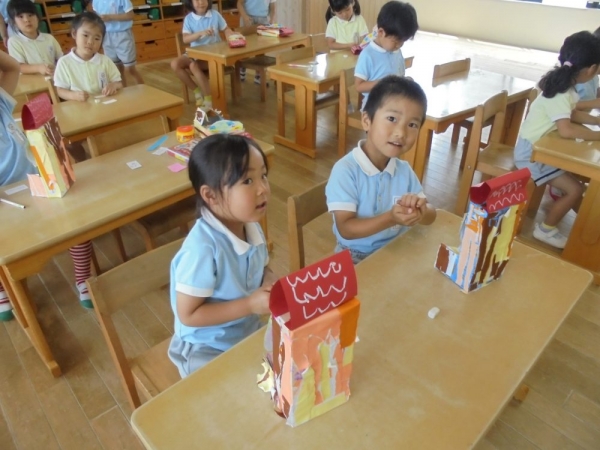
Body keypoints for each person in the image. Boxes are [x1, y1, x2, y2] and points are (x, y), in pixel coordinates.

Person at [168, 134, 274, 377]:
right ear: (211, 196)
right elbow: (188, 315)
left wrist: (269, 282)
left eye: (263, 176)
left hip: (244, 331)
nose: (263, 189)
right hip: (205, 348)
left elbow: (261, 268)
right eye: (248, 180)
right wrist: (250, 304)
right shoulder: (202, 249)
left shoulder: (250, 225)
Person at [326, 75, 436, 265]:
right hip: (354, 258)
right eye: (392, 119)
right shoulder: (345, 171)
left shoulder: (404, 171)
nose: (401, 133)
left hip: (396, 250)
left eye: (412, 125)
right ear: (367, 121)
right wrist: (391, 218)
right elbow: (346, 229)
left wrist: (420, 210)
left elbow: (432, 216)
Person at [514, 30, 600, 249]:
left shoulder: (564, 86)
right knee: (575, 189)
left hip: (537, 148)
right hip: (531, 154)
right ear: (591, 69)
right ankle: (546, 230)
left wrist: (596, 121)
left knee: (577, 184)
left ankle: (588, 225)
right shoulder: (563, 92)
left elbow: (570, 114)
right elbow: (566, 130)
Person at [0, 49, 36, 320]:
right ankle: (2, 288)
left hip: (32, 182)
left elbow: (12, 66)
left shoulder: (1, 101)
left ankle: (83, 277)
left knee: (77, 223)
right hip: (3, 198)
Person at [354, 1, 417, 111]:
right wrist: (384, 84)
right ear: (381, 32)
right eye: (396, 42)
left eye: (402, 42)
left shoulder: (397, 52)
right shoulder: (368, 55)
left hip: (394, 105)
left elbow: (399, 77)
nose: (399, 46)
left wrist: (405, 81)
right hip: (374, 107)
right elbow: (359, 86)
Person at [170, 0, 232, 108]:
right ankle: (197, 91)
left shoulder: (215, 14)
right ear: (191, 3)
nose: (201, 2)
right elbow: (185, 39)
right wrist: (200, 33)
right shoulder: (189, 18)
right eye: (197, 0)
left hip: (213, 55)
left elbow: (226, 29)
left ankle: (209, 98)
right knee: (175, 64)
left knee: (193, 66)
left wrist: (229, 34)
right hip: (195, 53)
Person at [53, 11, 122, 102]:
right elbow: (60, 90)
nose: (90, 42)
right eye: (85, 35)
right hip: (78, 106)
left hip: (103, 104)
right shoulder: (64, 62)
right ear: (74, 33)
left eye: (97, 38)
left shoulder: (105, 60)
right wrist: (74, 96)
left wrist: (113, 85)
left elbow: (119, 83)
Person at [91, 0, 144, 86]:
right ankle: (124, 89)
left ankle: (143, 88)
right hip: (106, 35)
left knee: (130, 68)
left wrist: (110, 17)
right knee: (116, 69)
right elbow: (96, 17)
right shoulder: (96, 1)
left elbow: (130, 15)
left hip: (122, 34)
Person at [7, 0, 62, 75]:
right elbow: (19, 66)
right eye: (21, 16)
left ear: (38, 18)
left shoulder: (49, 38)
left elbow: (61, 58)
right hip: (31, 81)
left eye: (30, 15)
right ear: (14, 22)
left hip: (52, 78)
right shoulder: (14, 41)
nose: (27, 20)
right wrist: (38, 68)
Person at [237, 0, 276, 84]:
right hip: (248, 18)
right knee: (245, 46)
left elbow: (272, 6)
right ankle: (242, 69)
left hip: (263, 19)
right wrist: (245, 17)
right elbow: (239, 3)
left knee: (261, 48)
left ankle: (258, 75)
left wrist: (272, 19)